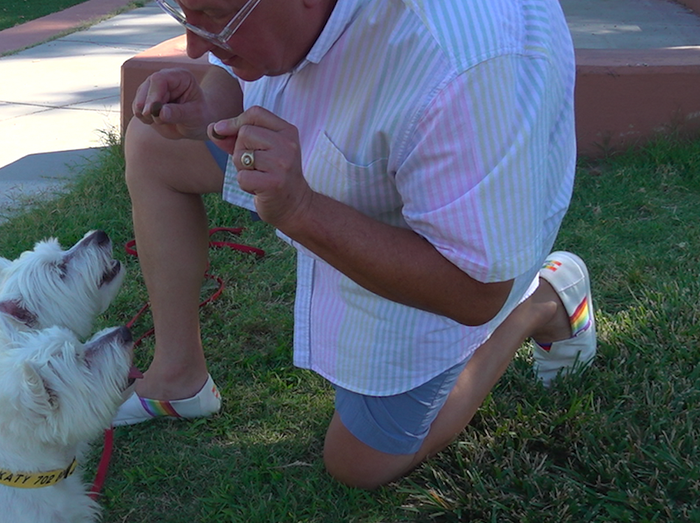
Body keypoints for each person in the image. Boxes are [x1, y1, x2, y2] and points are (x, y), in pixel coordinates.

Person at [113, 0, 597, 489]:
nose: (194, 44)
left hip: (448, 247)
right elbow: (227, 70)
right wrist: (213, 106)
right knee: (155, 146)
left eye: (213, 15)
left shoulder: (463, 62)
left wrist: (302, 209)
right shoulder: (268, 17)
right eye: (186, 13)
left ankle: (540, 300)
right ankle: (178, 375)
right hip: (353, 173)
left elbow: (475, 291)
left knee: (359, 463)